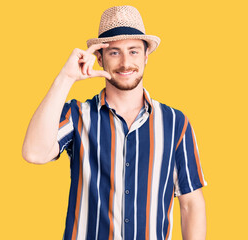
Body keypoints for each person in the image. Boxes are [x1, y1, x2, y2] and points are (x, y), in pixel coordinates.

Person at [22, 5, 207, 240]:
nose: (125, 62)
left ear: (146, 55)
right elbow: (34, 153)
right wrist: (66, 78)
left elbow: (191, 204)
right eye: (114, 52)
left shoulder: (175, 122)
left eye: (133, 51)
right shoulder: (77, 115)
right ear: (99, 58)